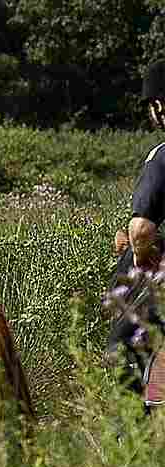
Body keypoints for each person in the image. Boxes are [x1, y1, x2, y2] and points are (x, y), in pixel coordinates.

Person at [109, 60, 165, 405]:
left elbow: (141, 229)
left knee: (124, 349)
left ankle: (133, 434)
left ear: (159, 104)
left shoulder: (162, 156)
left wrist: (141, 251)